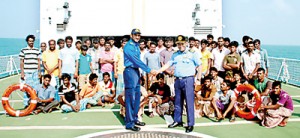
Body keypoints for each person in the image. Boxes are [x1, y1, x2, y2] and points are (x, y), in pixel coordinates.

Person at [158, 35, 201, 133]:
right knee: (177, 101)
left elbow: (200, 65)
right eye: (178, 44)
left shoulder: (192, 53)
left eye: (182, 44)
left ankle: (190, 124)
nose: (180, 46)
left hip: (188, 79)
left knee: (189, 103)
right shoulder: (175, 54)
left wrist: (198, 79)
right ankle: (178, 120)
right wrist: (158, 71)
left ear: (186, 43)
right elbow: (168, 64)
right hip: (177, 80)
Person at [123, 28, 156, 131]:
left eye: (138, 35)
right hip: (130, 71)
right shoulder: (128, 47)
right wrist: (149, 70)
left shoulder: (136, 45)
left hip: (136, 71)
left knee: (137, 97)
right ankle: (129, 123)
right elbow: (136, 61)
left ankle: (135, 118)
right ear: (131, 35)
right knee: (130, 98)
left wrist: (141, 72)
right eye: (135, 35)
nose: (137, 37)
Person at [19, 34, 41, 106]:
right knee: (27, 88)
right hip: (27, 72)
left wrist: (39, 72)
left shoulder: (37, 50)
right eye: (29, 41)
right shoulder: (23, 50)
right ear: (27, 41)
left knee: (36, 88)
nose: (31, 42)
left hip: (35, 71)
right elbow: (21, 62)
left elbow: (38, 62)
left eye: (32, 41)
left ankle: (35, 104)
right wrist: (22, 72)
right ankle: (26, 104)